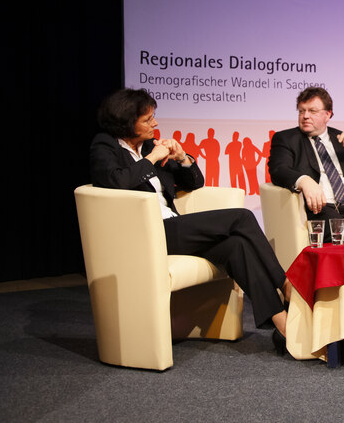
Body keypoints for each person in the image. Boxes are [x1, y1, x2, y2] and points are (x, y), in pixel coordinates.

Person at [89, 88, 291, 354]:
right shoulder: (105, 145)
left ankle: (284, 325)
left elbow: (195, 182)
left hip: (171, 226)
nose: (155, 124)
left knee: (236, 247)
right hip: (147, 234)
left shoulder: (148, 145)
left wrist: (183, 158)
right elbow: (117, 181)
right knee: (242, 216)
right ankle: (285, 284)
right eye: (148, 120)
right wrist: (152, 159)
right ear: (127, 122)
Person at [268, 86, 344, 236]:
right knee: (340, 231)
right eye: (302, 111)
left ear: (328, 115)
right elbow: (278, 169)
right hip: (320, 210)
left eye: (312, 111)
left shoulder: (342, 139)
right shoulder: (286, 139)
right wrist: (304, 180)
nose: (305, 116)